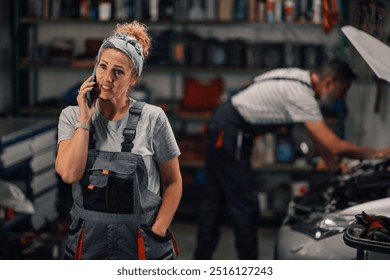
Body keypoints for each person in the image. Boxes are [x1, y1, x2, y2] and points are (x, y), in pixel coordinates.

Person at [194, 58, 389, 260]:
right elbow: (333, 144)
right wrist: (378, 154)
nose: (343, 96)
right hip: (230, 133)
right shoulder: (302, 96)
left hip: (223, 124)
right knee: (245, 208)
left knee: (213, 204)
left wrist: (334, 169)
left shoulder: (296, 75)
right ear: (329, 82)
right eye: (343, 89)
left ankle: (200, 261)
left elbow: (319, 141)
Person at [55, 21, 182, 260]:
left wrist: (158, 229)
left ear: (133, 78)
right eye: (102, 66)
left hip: (141, 241)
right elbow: (70, 174)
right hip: (88, 242)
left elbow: (173, 182)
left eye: (118, 72)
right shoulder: (71, 116)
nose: (107, 78)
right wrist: (85, 119)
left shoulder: (153, 118)